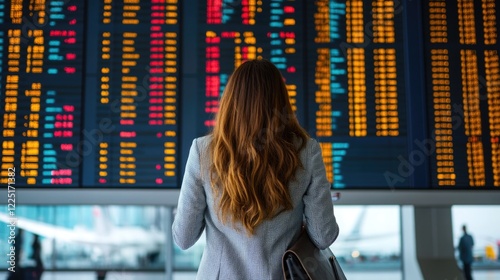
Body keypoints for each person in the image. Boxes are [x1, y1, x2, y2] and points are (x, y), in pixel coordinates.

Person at [172, 59, 339, 279]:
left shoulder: (203, 152)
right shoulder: (306, 151)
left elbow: (183, 238)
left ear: (230, 101)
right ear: (281, 102)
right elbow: (324, 236)